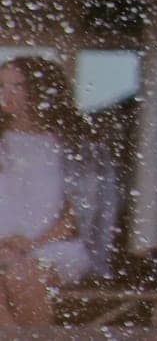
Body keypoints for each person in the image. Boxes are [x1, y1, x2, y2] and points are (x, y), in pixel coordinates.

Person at [0, 55, 91, 327]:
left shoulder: (68, 145)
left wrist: (32, 245)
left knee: (22, 277)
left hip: (54, 247)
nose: (6, 93)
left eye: (16, 85)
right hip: (3, 247)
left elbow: (76, 215)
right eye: (2, 85)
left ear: (39, 90)